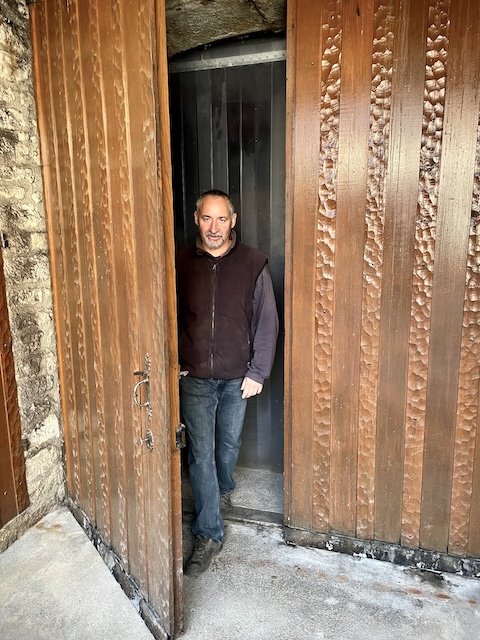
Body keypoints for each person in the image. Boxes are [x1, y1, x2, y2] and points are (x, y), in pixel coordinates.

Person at [176, 189, 279, 576]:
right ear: (196, 219)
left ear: (233, 221)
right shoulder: (181, 263)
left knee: (228, 446)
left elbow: (267, 321)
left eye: (222, 219)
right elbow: (167, 315)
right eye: (207, 218)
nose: (214, 227)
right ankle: (208, 533)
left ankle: (220, 490)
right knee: (200, 454)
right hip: (195, 378)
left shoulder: (253, 263)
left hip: (238, 377)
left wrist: (258, 372)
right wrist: (173, 360)